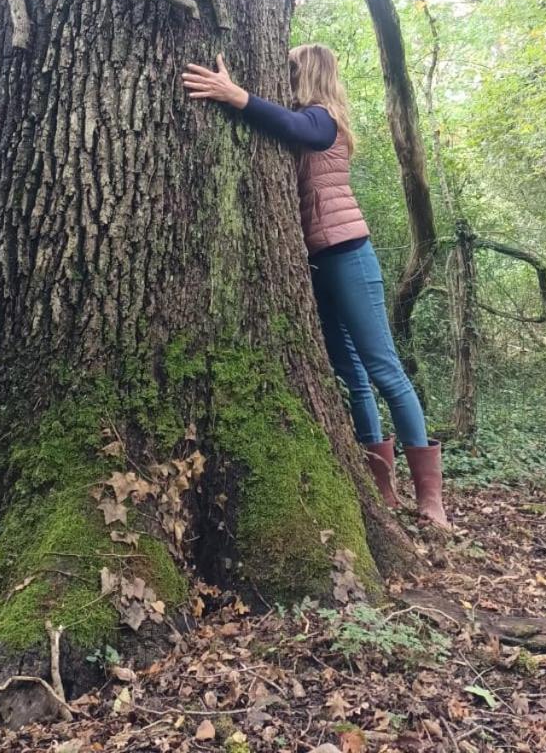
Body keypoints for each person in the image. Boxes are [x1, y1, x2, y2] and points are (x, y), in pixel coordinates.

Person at [182, 44, 449, 529]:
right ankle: (382, 489)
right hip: (316, 260)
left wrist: (235, 94)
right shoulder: (307, 117)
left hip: (348, 254)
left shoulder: (323, 118)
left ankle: (431, 499)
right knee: (350, 373)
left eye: (289, 68)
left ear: (308, 74)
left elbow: (293, 127)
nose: (282, 74)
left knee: (383, 369)